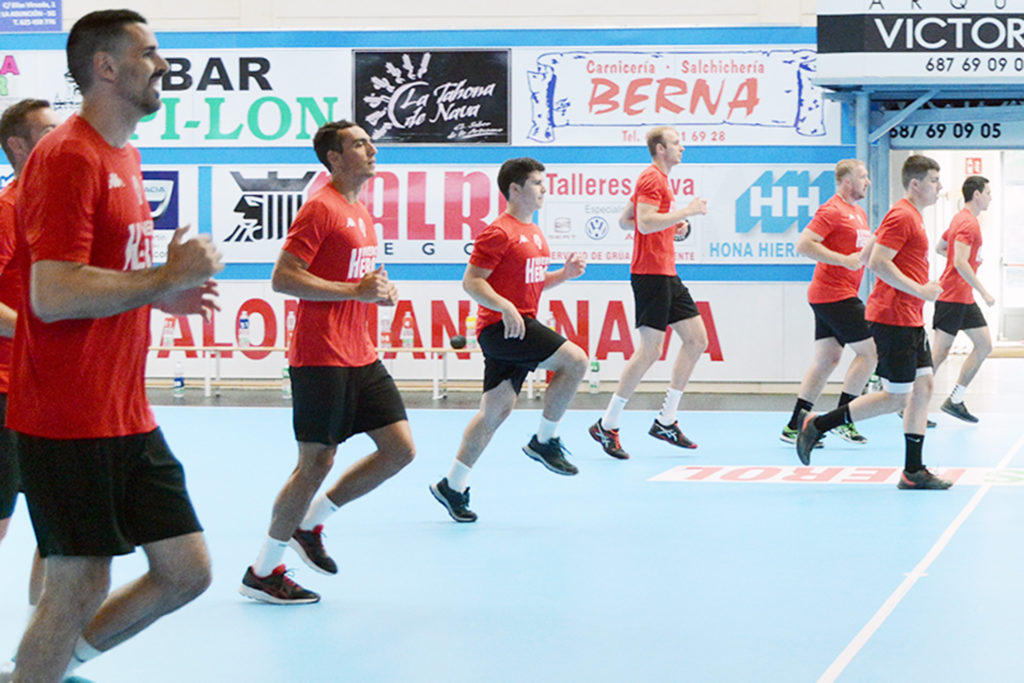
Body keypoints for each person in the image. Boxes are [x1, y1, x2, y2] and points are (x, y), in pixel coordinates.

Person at [3, 11, 223, 683]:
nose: (163, 64)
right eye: (150, 52)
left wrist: (160, 295)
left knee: (186, 570)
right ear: (105, 67)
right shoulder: (68, 155)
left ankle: (42, 669)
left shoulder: (122, 153)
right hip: (67, 416)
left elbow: (103, 279)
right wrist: (163, 277)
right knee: (77, 585)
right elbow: (51, 292)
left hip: (124, 412)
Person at [240, 120, 415, 603]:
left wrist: (376, 293)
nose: (371, 148)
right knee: (315, 462)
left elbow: (357, 279)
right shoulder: (320, 208)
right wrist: (352, 291)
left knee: (399, 450)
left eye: (369, 141)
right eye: (359, 144)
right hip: (321, 356)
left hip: (361, 353)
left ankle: (311, 523)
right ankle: (263, 569)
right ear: (335, 159)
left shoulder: (360, 211)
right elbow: (283, 278)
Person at [429, 157, 588, 523]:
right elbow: (472, 281)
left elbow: (534, 283)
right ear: (514, 189)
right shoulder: (499, 231)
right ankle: (544, 441)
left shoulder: (535, 233)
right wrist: (505, 307)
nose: (543, 189)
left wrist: (563, 274)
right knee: (576, 360)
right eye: (536, 183)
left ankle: (452, 486)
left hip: (517, 326)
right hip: (501, 330)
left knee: (494, 412)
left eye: (543, 183)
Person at [796, 155, 952, 490]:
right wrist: (921, 290)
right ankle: (818, 424)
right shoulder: (902, 216)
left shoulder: (910, 215)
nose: (940, 187)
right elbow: (880, 264)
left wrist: (860, 257)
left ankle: (913, 471)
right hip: (893, 317)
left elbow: (870, 253)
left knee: (923, 387)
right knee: (896, 397)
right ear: (916, 183)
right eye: (935, 181)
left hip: (910, 316)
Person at [589, 126, 708, 460]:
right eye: (676, 143)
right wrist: (687, 211)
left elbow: (626, 220)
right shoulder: (652, 178)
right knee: (650, 351)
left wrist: (673, 224)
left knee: (697, 340)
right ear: (660, 149)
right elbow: (642, 223)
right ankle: (607, 423)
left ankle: (666, 420)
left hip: (667, 273)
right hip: (650, 275)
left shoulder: (659, 180)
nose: (682, 147)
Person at [0, 98, 57, 613]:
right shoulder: (6, 208)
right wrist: (36, 333)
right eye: (47, 131)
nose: (59, 139)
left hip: (51, 387)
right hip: (3, 386)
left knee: (59, 520)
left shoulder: (55, 206)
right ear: (18, 145)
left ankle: (44, 651)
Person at [781, 160, 876, 447]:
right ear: (847, 181)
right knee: (871, 351)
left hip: (837, 293)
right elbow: (804, 244)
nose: (868, 182)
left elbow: (860, 254)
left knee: (827, 361)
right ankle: (843, 419)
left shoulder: (858, 213)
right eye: (863, 176)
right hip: (833, 293)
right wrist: (841, 260)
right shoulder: (832, 210)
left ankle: (794, 425)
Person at [930, 175, 995, 423]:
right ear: (976, 195)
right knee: (939, 354)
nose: (990, 198)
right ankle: (910, 403)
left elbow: (940, 247)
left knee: (985, 345)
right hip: (952, 297)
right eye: (988, 193)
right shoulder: (969, 224)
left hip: (963, 299)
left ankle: (955, 399)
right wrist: (984, 291)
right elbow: (958, 261)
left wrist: (968, 258)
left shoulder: (959, 219)